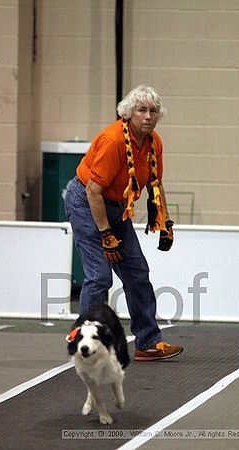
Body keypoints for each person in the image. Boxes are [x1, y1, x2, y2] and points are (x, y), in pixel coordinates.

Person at [64, 85, 183, 361]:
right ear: (128, 113)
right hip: (86, 202)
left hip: (118, 208)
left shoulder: (154, 142)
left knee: (137, 274)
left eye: (153, 111)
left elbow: (155, 183)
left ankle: (148, 343)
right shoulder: (114, 141)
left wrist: (164, 221)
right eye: (141, 110)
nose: (147, 116)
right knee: (99, 276)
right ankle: (87, 343)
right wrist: (105, 234)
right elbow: (93, 191)